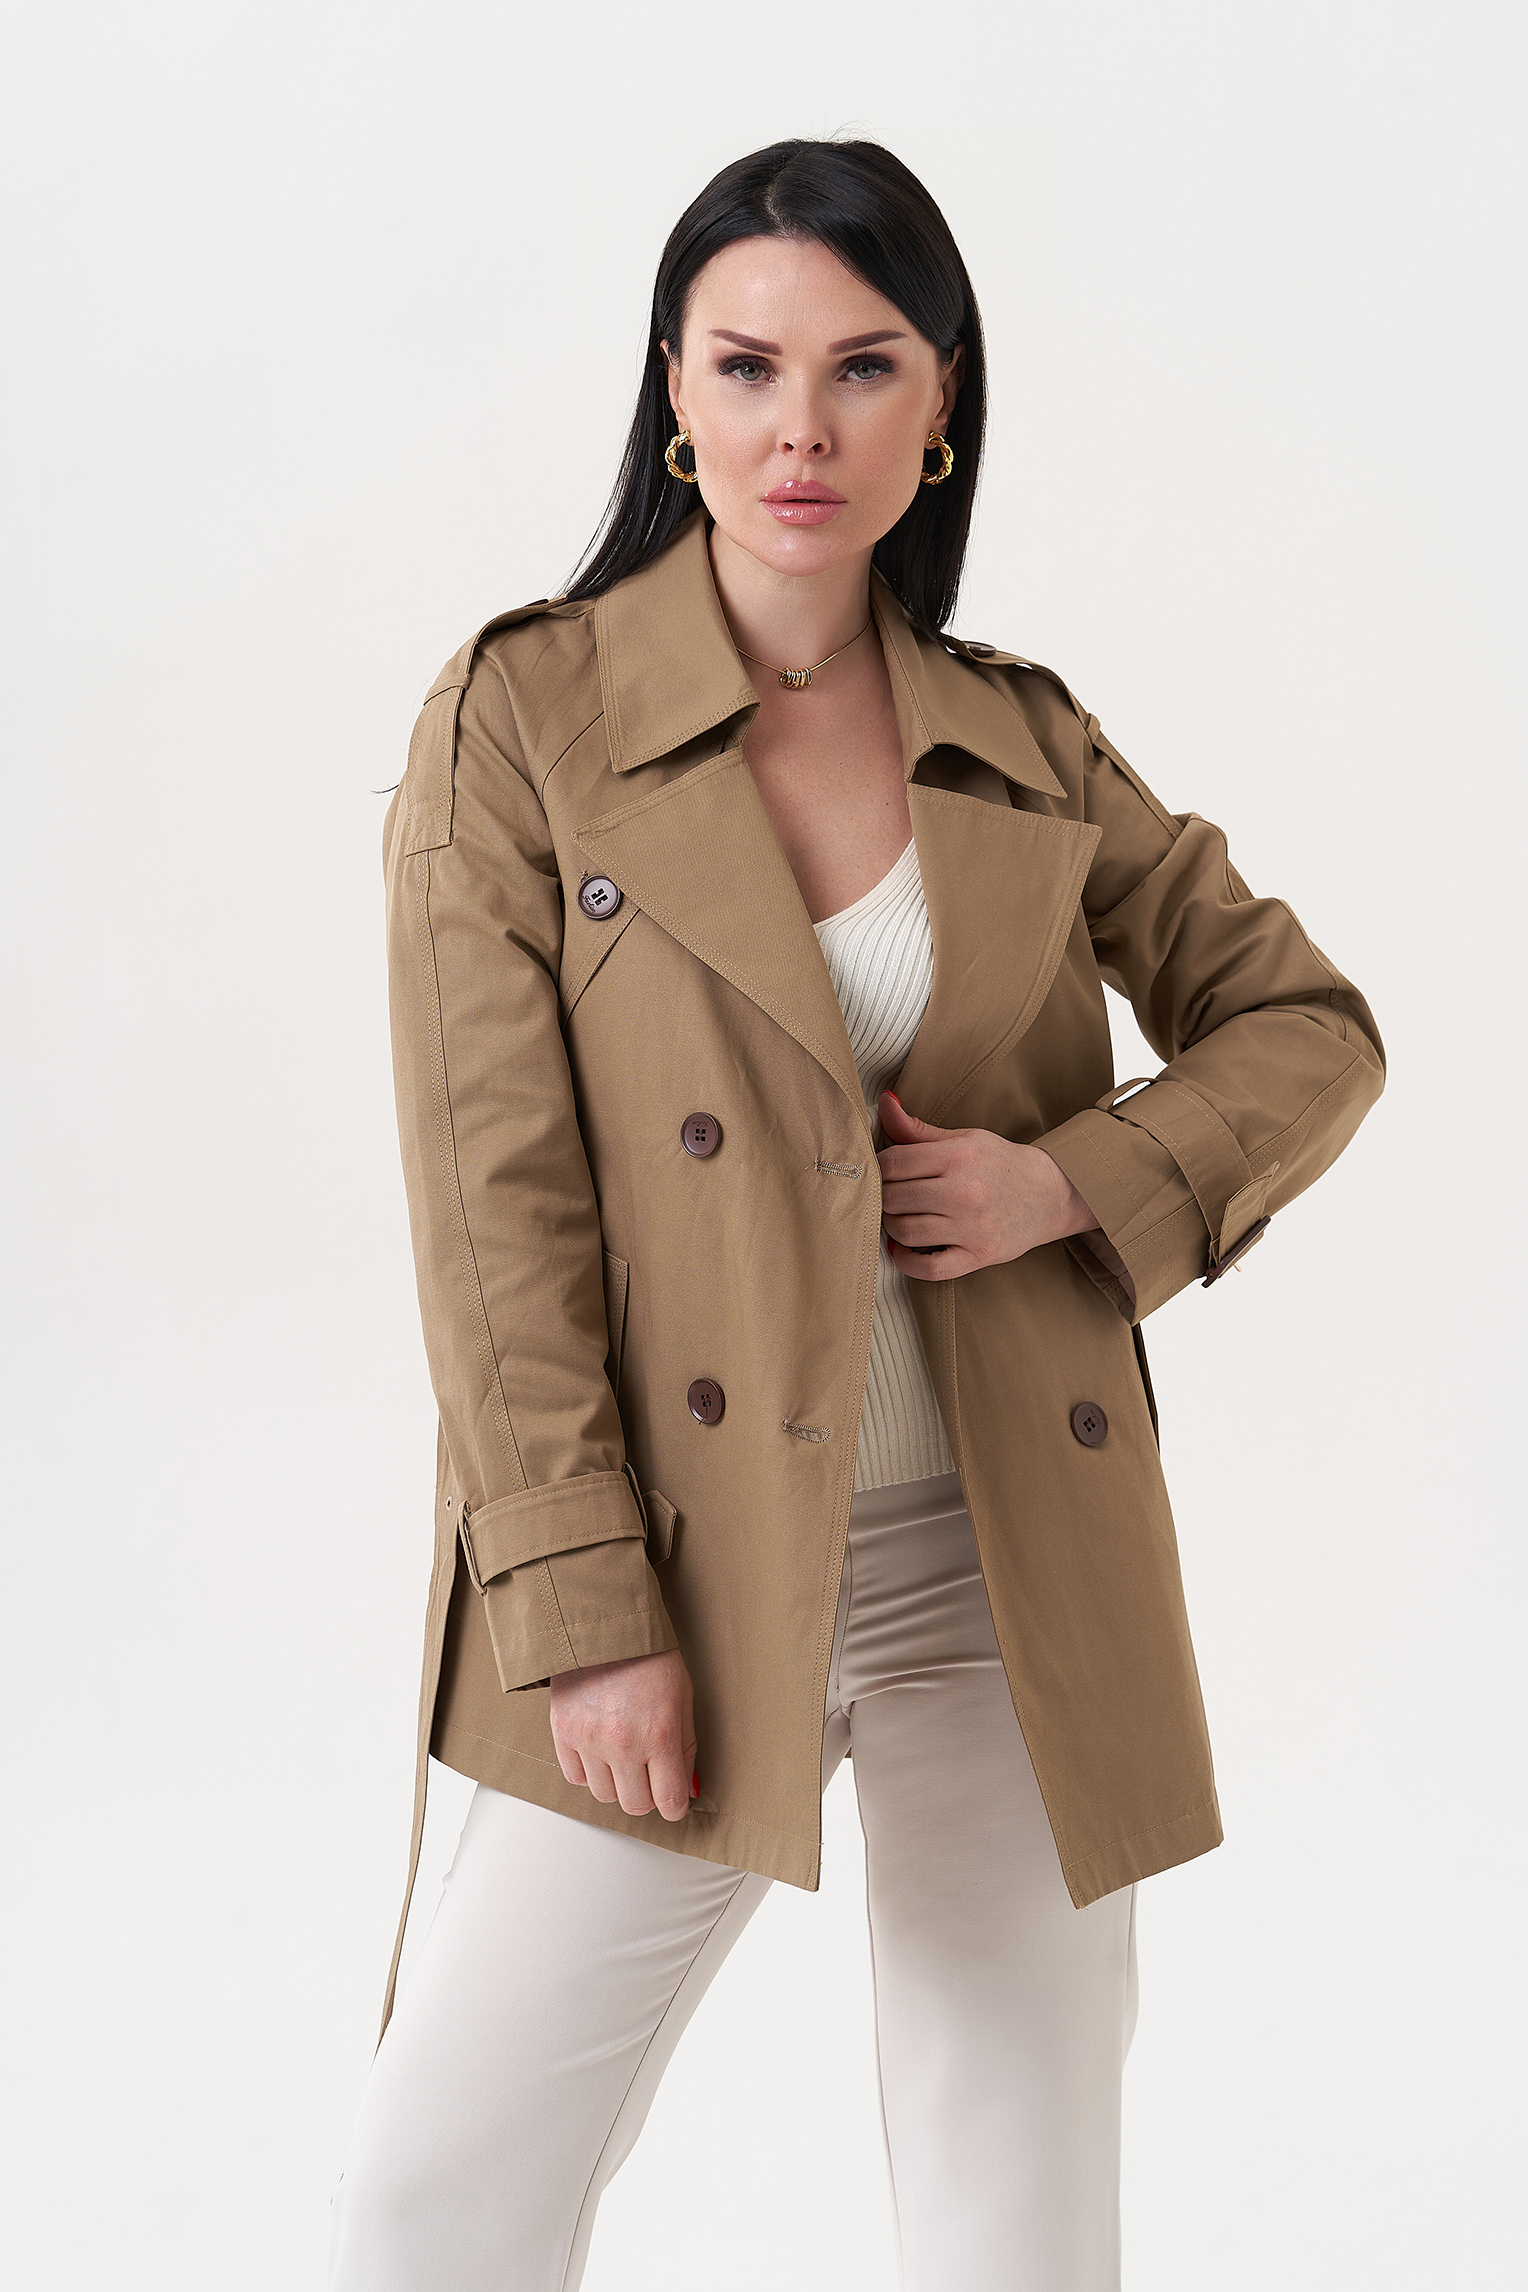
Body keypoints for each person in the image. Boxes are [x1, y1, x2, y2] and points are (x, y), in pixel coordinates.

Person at [327, 138, 1385, 2291]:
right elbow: (491, 1209)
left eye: (862, 365)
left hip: (1004, 1559)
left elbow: (1305, 1026)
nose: (799, 426)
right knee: (439, 2195)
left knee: (1020, 2223)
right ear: (672, 395)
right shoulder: (524, 720)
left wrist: (1062, 1184)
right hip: (682, 1559)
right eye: (746, 366)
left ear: (942, 405)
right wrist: (582, 1604)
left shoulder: (1025, 742)